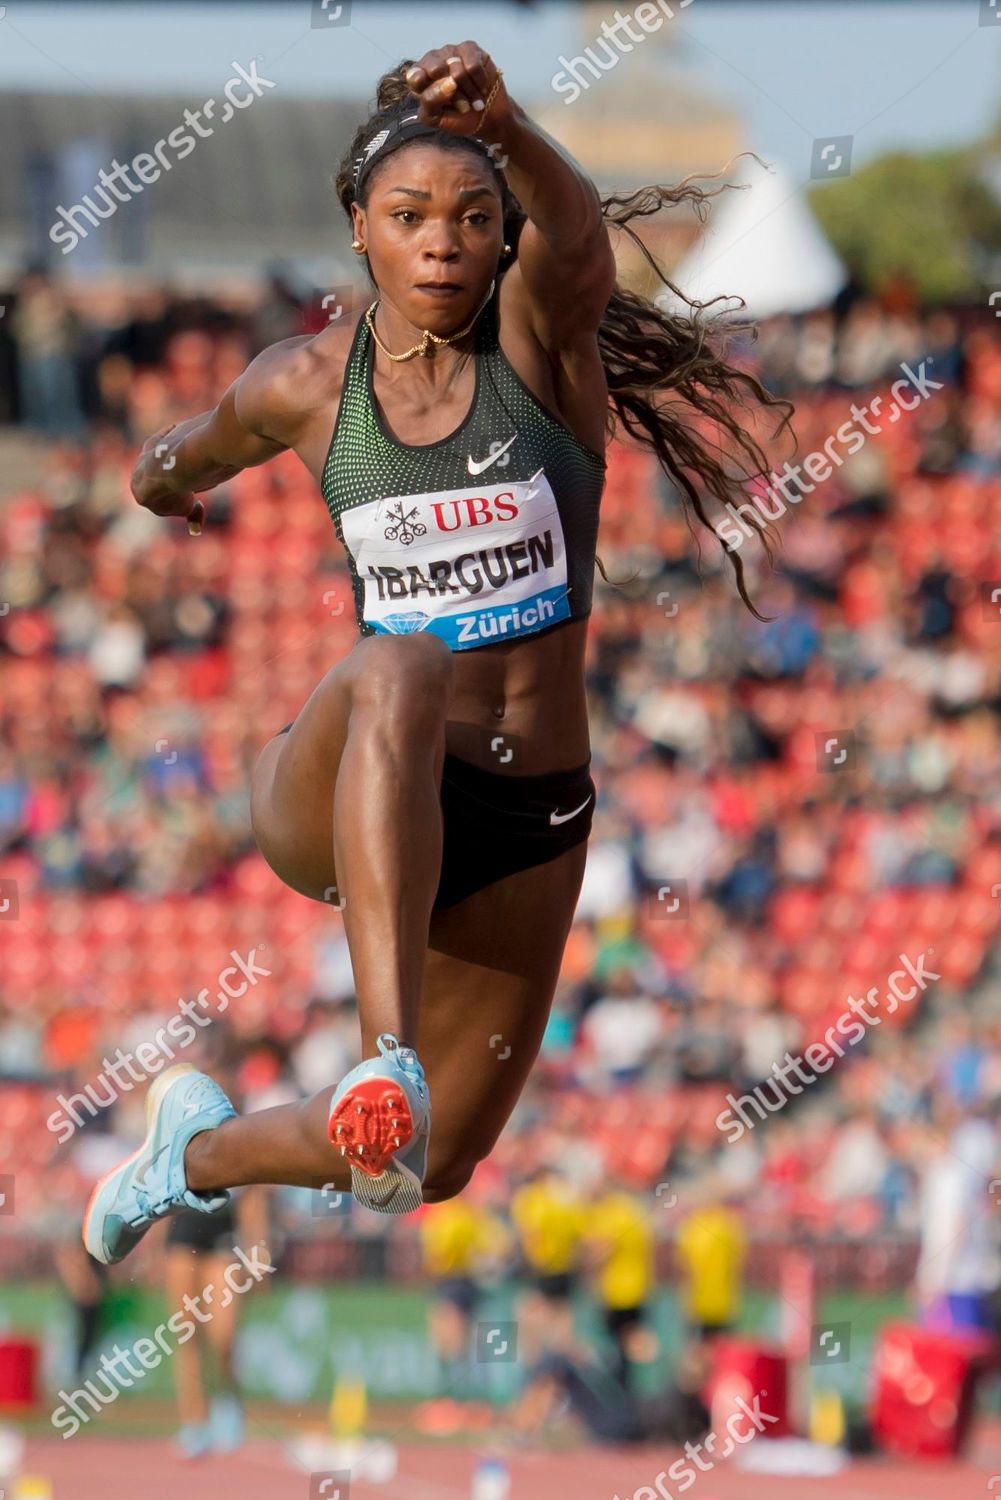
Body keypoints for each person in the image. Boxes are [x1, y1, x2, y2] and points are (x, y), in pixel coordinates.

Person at [81, 41, 793, 1266]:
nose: (443, 243)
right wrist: (160, 483)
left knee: (428, 1165)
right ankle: (385, 1048)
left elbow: (575, 245)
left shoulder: (538, 348)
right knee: (404, 660)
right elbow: (187, 452)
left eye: (473, 218)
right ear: (358, 228)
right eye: (409, 217)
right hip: (355, 781)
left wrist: (510, 123)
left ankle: (189, 1155)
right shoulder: (304, 385)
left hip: (530, 809)